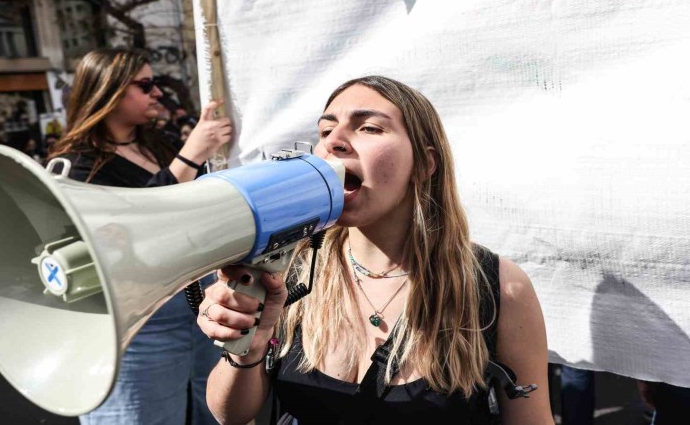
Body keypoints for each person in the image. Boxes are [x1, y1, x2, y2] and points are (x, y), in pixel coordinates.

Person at [196, 76, 554, 424]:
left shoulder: (497, 287)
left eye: (368, 128)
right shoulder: (290, 272)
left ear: (425, 164)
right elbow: (231, 415)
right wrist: (249, 348)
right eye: (325, 131)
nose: (334, 142)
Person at [49, 48, 232, 425]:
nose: (158, 93)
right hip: (140, 325)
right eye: (145, 85)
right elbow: (136, 223)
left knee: (213, 412)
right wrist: (191, 156)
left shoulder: (157, 143)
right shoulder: (77, 164)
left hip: (198, 304)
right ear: (109, 92)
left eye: (157, 83)